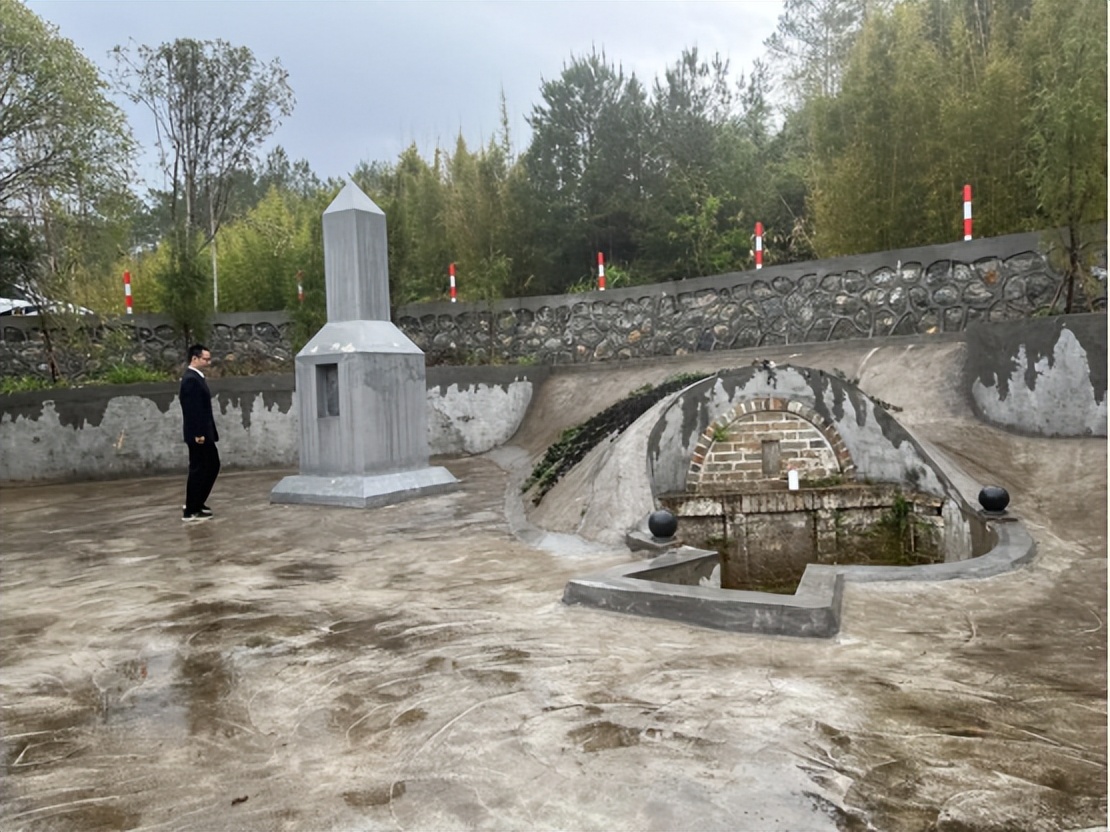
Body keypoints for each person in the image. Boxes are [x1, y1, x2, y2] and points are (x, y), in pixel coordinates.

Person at [179, 344, 220, 520]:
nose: (208, 362)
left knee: (210, 465)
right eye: (205, 359)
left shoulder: (197, 378)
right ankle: (191, 509)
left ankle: (197, 503)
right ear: (194, 358)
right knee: (200, 468)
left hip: (204, 432)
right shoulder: (191, 380)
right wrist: (198, 433)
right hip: (199, 434)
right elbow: (192, 409)